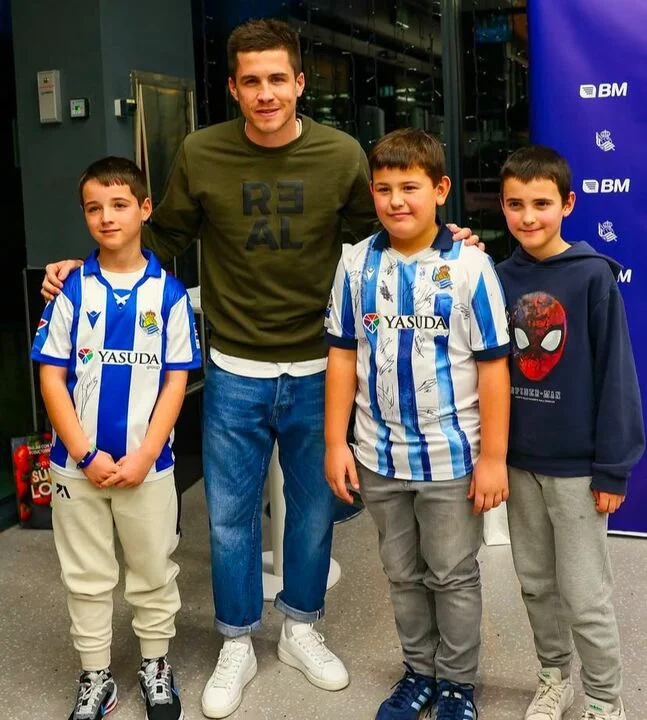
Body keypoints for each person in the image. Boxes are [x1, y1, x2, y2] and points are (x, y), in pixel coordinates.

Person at [40, 18, 478, 719]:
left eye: (278, 79)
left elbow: (386, 230)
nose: (266, 92)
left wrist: (448, 239)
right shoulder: (202, 152)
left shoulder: (339, 155)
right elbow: (162, 233)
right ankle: (237, 640)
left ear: (299, 83)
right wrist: (81, 265)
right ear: (233, 89)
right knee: (230, 518)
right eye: (252, 81)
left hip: (319, 365)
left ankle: (301, 629)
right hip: (235, 365)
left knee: (312, 514)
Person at [324, 128, 511, 720]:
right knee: (402, 573)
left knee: (452, 574)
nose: (396, 200)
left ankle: (457, 683)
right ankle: (419, 672)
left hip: (452, 458)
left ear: (441, 190)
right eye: (384, 189)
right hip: (378, 455)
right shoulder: (356, 264)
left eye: (410, 187)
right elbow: (342, 355)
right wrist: (336, 443)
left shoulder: (472, 267)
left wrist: (493, 458)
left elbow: (493, 367)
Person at [32, 156, 202, 720]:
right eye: (94, 208)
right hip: (75, 466)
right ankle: (96, 675)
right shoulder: (70, 291)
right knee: (86, 574)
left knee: (153, 569)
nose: (107, 217)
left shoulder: (170, 296)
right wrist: (85, 453)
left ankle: (155, 663)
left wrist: (146, 453)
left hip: (146, 468)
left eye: (120, 204)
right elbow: (51, 378)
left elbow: (176, 380)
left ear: (145, 208)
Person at [496, 145, 645, 720]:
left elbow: (616, 375)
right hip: (519, 464)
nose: (528, 216)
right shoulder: (497, 278)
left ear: (568, 204)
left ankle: (605, 700)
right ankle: (553, 675)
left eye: (541, 203)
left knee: (585, 595)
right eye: (515, 204)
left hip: (578, 471)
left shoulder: (592, 276)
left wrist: (613, 467)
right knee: (536, 582)